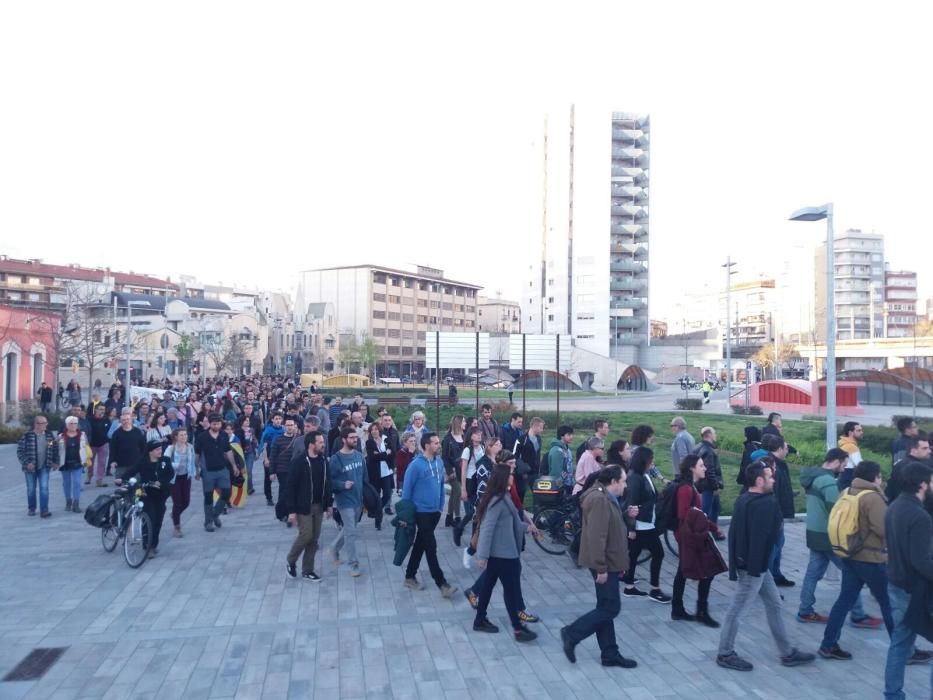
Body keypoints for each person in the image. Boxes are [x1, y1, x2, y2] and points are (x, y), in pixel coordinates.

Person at [716, 460, 815, 671]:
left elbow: (736, 535)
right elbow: (759, 539)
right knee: (737, 610)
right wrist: (749, 570)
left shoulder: (744, 498)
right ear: (760, 480)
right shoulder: (764, 504)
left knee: (774, 605)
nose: (773, 480)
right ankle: (725, 653)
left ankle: (787, 652)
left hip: (756, 567)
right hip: (753, 569)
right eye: (770, 477)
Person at [560, 465, 638, 669]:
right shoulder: (599, 500)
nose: (625, 485)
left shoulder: (607, 498)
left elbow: (610, 525)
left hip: (607, 561)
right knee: (611, 608)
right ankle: (572, 633)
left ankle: (610, 654)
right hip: (604, 563)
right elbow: (597, 537)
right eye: (623, 481)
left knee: (606, 608)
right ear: (613, 482)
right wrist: (601, 568)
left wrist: (627, 515)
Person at [818, 461, 894, 660]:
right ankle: (904, 649)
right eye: (880, 476)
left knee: (845, 600)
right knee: (888, 603)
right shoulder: (872, 498)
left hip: (849, 555)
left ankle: (828, 645)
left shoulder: (847, 491)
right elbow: (884, 529)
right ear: (875, 477)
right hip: (871, 558)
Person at [797, 448, 879, 628]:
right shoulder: (827, 481)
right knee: (853, 573)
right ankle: (858, 615)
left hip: (814, 533)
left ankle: (805, 610)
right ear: (835, 461)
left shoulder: (814, 477)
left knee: (812, 574)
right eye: (843, 464)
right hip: (829, 536)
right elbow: (838, 511)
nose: (843, 469)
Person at [472, 463, 537, 642]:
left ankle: (479, 620)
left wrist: (528, 528)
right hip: (502, 554)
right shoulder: (497, 501)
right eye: (510, 475)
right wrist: (482, 556)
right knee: (510, 591)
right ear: (503, 478)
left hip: (503, 553)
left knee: (487, 588)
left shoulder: (504, 496)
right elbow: (487, 528)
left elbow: (515, 523)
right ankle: (517, 629)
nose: (513, 477)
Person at [884, 462, 933, 700]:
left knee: (900, 642)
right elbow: (922, 561)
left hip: (895, 582)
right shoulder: (920, 516)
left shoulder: (894, 506)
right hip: (916, 590)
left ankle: (893, 694)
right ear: (922, 484)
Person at [401, 432, 458, 598]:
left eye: (438, 442)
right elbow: (406, 493)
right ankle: (442, 583)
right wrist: (405, 516)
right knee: (431, 547)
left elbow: (440, 485)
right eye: (435, 443)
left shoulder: (439, 462)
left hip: (435, 512)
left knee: (420, 544)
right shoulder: (415, 466)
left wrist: (440, 506)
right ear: (426, 445)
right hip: (421, 512)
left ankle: (409, 576)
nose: (438, 445)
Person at [671, 455, 725, 627]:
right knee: (707, 572)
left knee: (684, 571)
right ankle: (701, 611)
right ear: (692, 468)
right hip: (691, 537)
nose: (705, 468)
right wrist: (710, 526)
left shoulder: (690, 487)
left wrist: (711, 526)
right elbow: (684, 515)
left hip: (690, 536)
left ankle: (678, 609)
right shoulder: (686, 489)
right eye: (701, 465)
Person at [620, 447, 671, 603]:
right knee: (658, 553)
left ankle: (629, 587)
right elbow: (630, 504)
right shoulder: (635, 478)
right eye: (651, 458)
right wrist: (631, 528)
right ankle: (655, 590)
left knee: (633, 554)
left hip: (647, 521)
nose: (653, 461)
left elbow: (649, 497)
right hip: (642, 524)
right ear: (644, 460)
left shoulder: (644, 475)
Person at [285, 431, 332, 582]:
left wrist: (329, 505)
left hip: (319, 505)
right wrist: (291, 511)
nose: (323, 444)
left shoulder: (323, 460)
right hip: (303, 506)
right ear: (312, 444)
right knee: (306, 535)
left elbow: (327, 484)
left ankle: (307, 570)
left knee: (314, 539)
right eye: (320, 442)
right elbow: (290, 487)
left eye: (322, 442)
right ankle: (291, 560)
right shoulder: (299, 462)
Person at [115, 440, 174, 558]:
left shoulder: (165, 461)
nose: (160, 452)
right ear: (150, 451)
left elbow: (170, 474)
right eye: (157, 450)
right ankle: (148, 545)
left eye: (160, 449)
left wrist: (161, 482)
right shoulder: (143, 461)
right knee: (149, 518)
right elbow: (132, 471)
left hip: (161, 493)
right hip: (146, 493)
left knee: (158, 520)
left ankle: (154, 544)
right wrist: (121, 478)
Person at [328, 427, 367, 577]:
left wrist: (367, 498)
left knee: (349, 529)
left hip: (358, 499)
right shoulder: (336, 459)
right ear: (343, 439)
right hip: (344, 501)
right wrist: (342, 485)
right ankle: (354, 564)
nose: (354, 440)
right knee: (351, 532)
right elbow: (329, 481)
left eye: (355, 438)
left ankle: (334, 547)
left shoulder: (358, 456)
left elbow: (365, 478)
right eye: (351, 438)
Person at [194, 414, 239, 532]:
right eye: (214, 424)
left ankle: (215, 513)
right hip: (208, 470)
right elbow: (197, 454)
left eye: (218, 424)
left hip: (223, 469)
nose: (216, 426)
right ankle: (208, 522)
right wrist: (196, 469)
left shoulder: (223, 435)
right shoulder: (202, 437)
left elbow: (228, 451)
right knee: (208, 496)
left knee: (227, 492)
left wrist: (234, 465)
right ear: (209, 423)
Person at [762, 434, 796, 587]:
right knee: (773, 548)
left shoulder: (780, 464)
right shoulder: (770, 465)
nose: (788, 450)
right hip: (773, 514)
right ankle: (767, 581)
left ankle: (776, 575)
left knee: (779, 545)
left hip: (778, 513)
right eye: (786, 447)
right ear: (780, 448)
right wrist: (776, 515)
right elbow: (771, 491)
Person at [17, 415, 59, 518]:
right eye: (43, 423)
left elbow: (54, 449)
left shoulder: (49, 436)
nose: (46, 425)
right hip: (30, 467)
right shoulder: (27, 436)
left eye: (46, 423)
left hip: (45, 466)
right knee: (31, 489)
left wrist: (55, 462)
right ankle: (32, 508)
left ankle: (44, 510)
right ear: (36, 424)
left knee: (44, 488)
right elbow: (20, 451)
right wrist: (27, 463)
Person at [455, 426, 485, 546]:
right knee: (473, 511)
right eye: (477, 434)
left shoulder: (482, 447)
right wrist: (463, 489)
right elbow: (463, 470)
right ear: (471, 436)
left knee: (477, 511)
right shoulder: (468, 450)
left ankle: (473, 538)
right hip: (470, 482)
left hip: (479, 481)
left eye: (480, 433)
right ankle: (459, 529)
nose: (479, 435)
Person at [165, 427, 196, 538]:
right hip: (174, 479)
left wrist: (195, 472)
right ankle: (177, 527)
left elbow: (192, 461)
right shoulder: (171, 448)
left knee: (186, 502)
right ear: (176, 437)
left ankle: (174, 514)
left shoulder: (190, 447)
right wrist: (175, 465)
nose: (184, 437)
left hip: (186, 477)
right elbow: (165, 462)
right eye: (181, 435)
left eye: (185, 435)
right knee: (177, 503)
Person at [694, 426, 724, 536]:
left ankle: (714, 532)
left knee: (716, 508)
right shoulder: (708, 451)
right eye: (714, 433)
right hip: (708, 486)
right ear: (709, 435)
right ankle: (704, 535)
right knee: (705, 512)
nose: (715, 435)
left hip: (702, 484)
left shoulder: (698, 446)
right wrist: (716, 486)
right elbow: (709, 471)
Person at [886, 435, 932, 505]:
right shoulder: (914, 468)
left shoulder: (900, 463)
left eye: (929, 448)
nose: (929, 451)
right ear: (913, 450)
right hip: (910, 506)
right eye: (924, 448)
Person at [57, 416, 90, 513]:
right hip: (65, 462)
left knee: (76, 482)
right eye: (71, 423)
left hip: (78, 462)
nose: (73, 425)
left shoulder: (82, 435)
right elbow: (56, 449)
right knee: (66, 483)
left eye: (75, 423)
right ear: (66, 425)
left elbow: (86, 447)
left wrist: (86, 460)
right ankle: (68, 501)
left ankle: (76, 503)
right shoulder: (60, 436)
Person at [364, 422, 394, 526]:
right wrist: (386, 453)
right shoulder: (369, 443)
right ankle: (378, 520)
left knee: (387, 494)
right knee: (376, 496)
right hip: (375, 473)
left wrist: (380, 455)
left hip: (387, 472)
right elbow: (372, 457)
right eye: (372, 430)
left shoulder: (386, 439)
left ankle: (377, 510)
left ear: (379, 430)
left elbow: (392, 454)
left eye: (376, 429)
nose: (374, 431)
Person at [109, 408, 147, 481]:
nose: (126, 421)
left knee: (135, 485)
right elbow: (113, 449)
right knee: (121, 485)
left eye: (128, 419)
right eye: (123, 420)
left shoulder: (138, 432)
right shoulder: (116, 434)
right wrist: (112, 461)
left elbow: (143, 447)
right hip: (121, 464)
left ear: (131, 420)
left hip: (135, 463)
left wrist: (143, 460)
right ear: (120, 421)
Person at [441, 416, 466, 527]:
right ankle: (457, 517)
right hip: (453, 471)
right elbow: (445, 457)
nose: (465, 423)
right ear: (458, 423)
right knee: (458, 491)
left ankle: (449, 517)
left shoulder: (464, 436)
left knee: (454, 493)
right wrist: (450, 471)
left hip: (463, 470)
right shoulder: (447, 439)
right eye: (463, 421)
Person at [514, 416, 545, 501]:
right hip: (523, 474)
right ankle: (519, 512)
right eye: (541, 427)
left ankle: (537, 513)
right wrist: (522, 470)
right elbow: (514, 456)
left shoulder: (539, 439)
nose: (542, 430)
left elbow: (537, 455)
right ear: (535, 426)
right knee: (520, 495)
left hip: (535, 472)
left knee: (538, 496)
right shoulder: (521, 439)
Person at [259, 412, 285, 506]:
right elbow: (264, 446)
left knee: (282, 479)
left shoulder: (284, 429)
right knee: (268, 478)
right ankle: (268, 497)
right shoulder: (268, 431)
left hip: (282, 457)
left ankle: (282, 499)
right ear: (272, 420)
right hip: (270, 455)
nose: (278, 420)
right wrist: (266, 459)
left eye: (279, 418)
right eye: (276, 418)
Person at [88, 402, 110, 487]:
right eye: (100, 409)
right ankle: (89, 476)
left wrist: (108, 441)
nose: (102, 411)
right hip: (92, 444)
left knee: (102, 463)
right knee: (90, 463)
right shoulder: (90, 419)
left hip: (103, 444)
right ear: (95, 410)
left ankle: (99, 480)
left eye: (103, 410)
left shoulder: (106, 420)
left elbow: (110, 432)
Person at [837, 421, 864, 491]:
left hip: (843, 477)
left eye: (861, 430)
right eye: (858, 430)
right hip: (849, 479)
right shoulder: (851, 447)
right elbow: (860, 465)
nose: (862, 432)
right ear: (850, 433)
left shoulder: (844, 444)